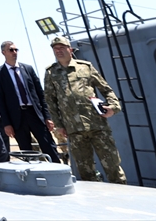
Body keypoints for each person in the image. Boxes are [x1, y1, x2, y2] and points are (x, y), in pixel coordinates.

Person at [44, 35, 126, 183]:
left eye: (61, 48)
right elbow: (51, 101)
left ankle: (123, 198)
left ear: (70, 49)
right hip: (74, 130)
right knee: (86, 172)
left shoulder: (85, 67)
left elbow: (106, 89)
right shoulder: (51, 72)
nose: (58, 51)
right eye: (55, 49)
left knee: (113, 167)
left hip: (97, 125)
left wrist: (113, 107)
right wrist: (59, 125)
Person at [0, 40, 60, 163]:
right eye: (11, 50)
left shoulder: (27, 69)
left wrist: (47, 116)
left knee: (48, 145)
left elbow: (40, 94)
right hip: (17, 118)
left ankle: (58, 173)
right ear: (3, 53)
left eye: (16, 50)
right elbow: (0, 101)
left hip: (34, 114)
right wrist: (7, 124)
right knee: (27, 151)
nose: (14, 52)